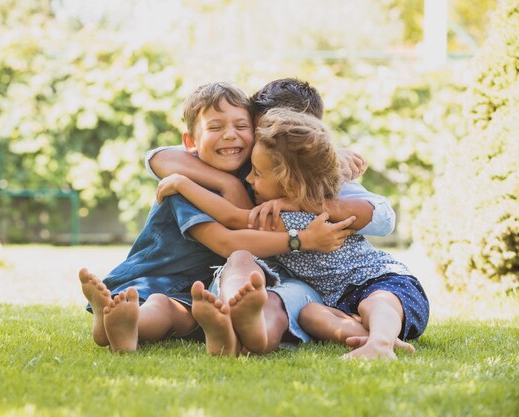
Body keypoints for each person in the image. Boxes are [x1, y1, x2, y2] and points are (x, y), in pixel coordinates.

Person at [79, 82, 358, 354]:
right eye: (215, 127)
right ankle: (123, 322)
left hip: (199, 292)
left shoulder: (253, 173)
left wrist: (331, 154)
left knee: (175, 313)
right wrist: (302, 239)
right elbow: (228, 242)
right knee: (160, 305)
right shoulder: (184, 186)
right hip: (159, 281)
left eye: (241, 126)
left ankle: (119, 327)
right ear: (190, 142)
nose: (229, 135)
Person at [147, 78, 396, 355]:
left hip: (325, 288)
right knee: (244, 266)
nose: (269, 139)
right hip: (262, 277)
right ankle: (233, 319)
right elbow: (159, 157)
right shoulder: (244, 162)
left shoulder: (323, 185)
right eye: (261, 131)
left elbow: (384, 217)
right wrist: (226, 184)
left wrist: (304, 204)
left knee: (281, 301)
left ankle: (239, 326)